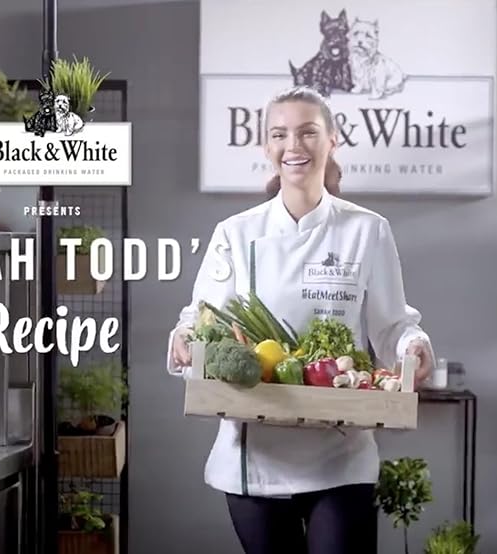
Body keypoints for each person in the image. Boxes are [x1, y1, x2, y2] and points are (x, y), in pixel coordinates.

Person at [165, 85, 436, 554]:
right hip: (255, 459)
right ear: (266, 146)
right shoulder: (235, 233)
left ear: (332, 140)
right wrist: (185, 337)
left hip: (342, 452)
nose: (294, 145)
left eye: (308, 132)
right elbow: (201, 317)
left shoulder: (367, 230)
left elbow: (392, 324)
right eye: (280, 134)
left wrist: (413, 345)